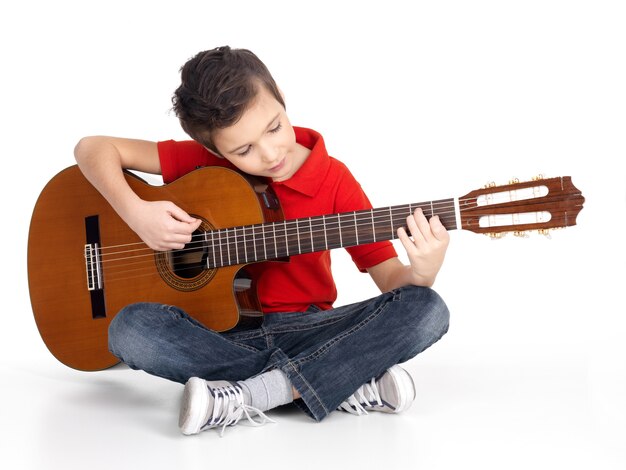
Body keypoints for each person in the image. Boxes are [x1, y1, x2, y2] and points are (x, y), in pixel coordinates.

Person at [74, 46, 450, 436]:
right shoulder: (206, 164)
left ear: (281, 98)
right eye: (243, 150)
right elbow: (92, 148)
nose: (270, 154)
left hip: (311, 328)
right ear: (213, 149)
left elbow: (391, 280)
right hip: (215, 335)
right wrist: (135, 212)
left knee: (427, 308)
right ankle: (334, 381)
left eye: (274, 127)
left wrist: (423, 270)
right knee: (128, 328)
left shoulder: (334, 179)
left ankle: (250, 394)